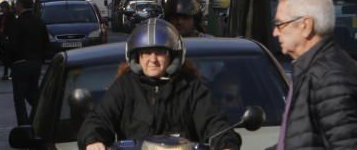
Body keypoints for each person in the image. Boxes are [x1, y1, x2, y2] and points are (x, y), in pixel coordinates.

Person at [78, 18, 240, 150]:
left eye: (160, 52)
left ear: (172, 56)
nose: (153, 60)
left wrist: (226, 143)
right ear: (137, 57)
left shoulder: (191, 87)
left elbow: (213, 122)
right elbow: (99, 119)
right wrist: (93, 140)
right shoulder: (125, 86)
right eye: (146, 53)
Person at [272, 0, 357, 150]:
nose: (275, 33)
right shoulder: (313, 68)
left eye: (280, 24)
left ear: (305, 25)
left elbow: (347, 144)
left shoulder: (329, 76)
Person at [6, 0, 49, 125]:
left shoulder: (17, 23)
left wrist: (11, 63)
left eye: (17, 5)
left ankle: (24, 125)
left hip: (20, 64)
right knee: (32, 93)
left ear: (20, 5)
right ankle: (41, 116)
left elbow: (12, 45)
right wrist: (40, 59)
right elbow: (46, 43)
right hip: (35, 64)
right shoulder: (39, 22)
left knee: (19, 98)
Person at [0, 0, 14, 81]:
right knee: (2, 57)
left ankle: (7, 74)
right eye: (1, 8)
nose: (2, 9)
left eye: (3, 8)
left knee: (7, 57)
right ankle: (11, 71)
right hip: (1, 40)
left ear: (7, 8)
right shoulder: (0, 17)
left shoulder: (11, 16)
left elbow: (13, 28)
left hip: (8, 41)